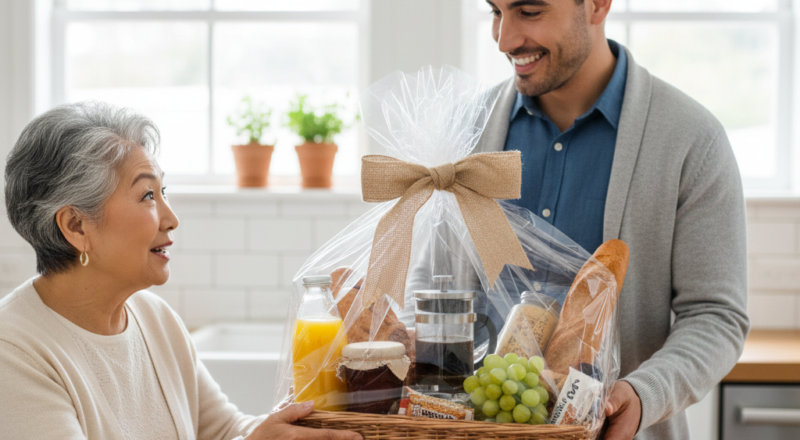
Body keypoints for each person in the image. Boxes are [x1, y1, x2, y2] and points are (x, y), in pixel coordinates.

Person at [0, 102, 362, 440]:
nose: (171, 219)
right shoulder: (14, 352)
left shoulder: (155, 319)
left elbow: (226, 430)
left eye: (164, 191)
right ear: (77, 226)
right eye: (146, 196)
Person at [473, 1, 750, 439]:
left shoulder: (691, 139)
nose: (505, 39)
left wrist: (644, 393)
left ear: (599, 5)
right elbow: (433, 293)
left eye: (529, 11)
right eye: (495, 11)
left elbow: (716, 316)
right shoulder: (471, 129)